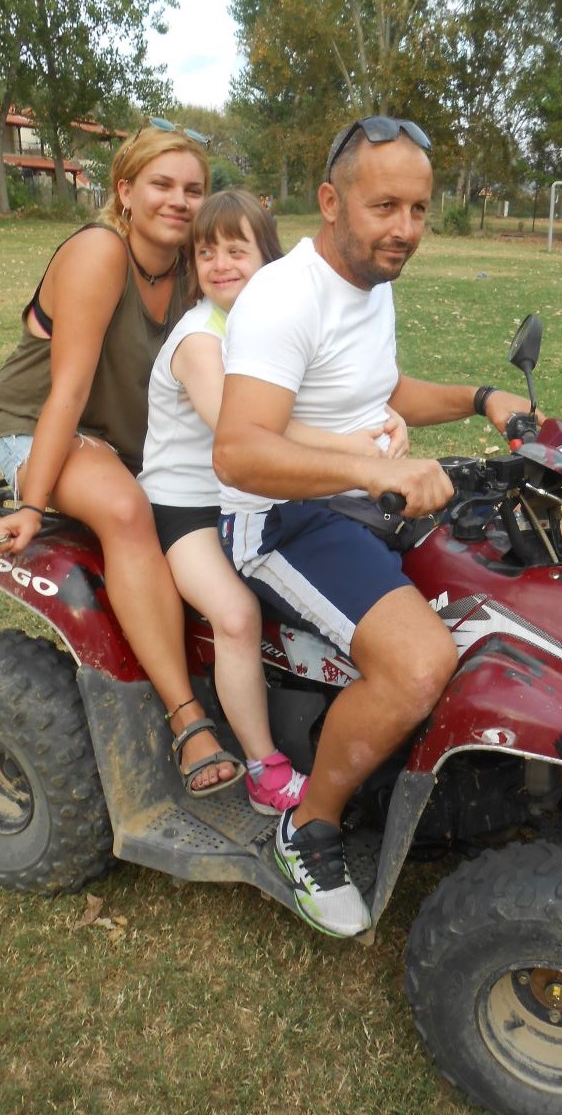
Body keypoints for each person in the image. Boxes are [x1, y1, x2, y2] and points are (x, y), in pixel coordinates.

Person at [213, 115, 535, 936]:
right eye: (385, 206)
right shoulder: (283, 297)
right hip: (280, 517)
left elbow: (380, 390)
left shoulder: (370, 281)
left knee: (509, 591)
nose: (406, 229)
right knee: (420, 662)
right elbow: (240, 453)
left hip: (356, 495)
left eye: (419, 209)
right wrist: (376, 471)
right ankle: (307, 827)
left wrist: (481, 399)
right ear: (331, 202)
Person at [0, 121, 245, 799]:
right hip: (44, 426)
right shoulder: (99, 252)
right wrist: (32, 503)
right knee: (127, 510)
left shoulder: (196, 268)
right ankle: (187, 718)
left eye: (194, 189)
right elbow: (68, 390)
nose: (179, 201)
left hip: (132, 441)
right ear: (124, 191)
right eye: (162, 184)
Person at [138, 188, 409, 813]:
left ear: (270, 259)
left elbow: (330, 397)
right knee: (236, 616)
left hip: (253, 494)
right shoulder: (200, 340)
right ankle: (265, 768)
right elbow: (246, 431)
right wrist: (355, 450)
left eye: (237, 250)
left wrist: (383, 418)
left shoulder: (267, 323)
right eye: (206, 252)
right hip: (190, 507)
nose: (220, 264)